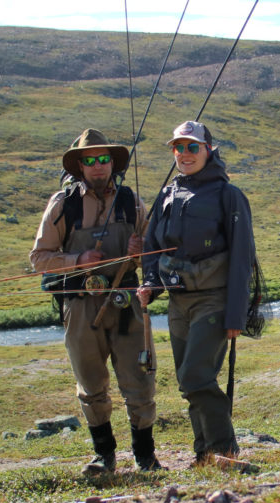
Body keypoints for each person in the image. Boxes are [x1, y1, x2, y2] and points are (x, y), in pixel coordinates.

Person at [29, 128, 161, 473]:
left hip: (127, 299)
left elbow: (154, 251)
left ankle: (145, 457)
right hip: (80, 303)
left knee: (140, 380)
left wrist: (142, 249)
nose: (99, 166)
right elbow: (39, 258)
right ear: (80, 166)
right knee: (91, 383)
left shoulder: (132, 201)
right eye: (91, 160)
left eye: (104, 159)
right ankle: (104, 455)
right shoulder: (63, 204)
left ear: (112, 164)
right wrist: (78, 261)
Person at [137, 121, 255, 465]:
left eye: (192, 147)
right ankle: (204, 454)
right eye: (178, 148)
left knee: (195, 376)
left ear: (208, 150)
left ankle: (226, 450)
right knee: (188, 382)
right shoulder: (168, 194)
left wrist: (237, 316)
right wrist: (151, 283)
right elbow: (152, 247)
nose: (184, 154)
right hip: (178, 303)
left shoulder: (228, 195)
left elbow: (242, 258)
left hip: (214, 300)